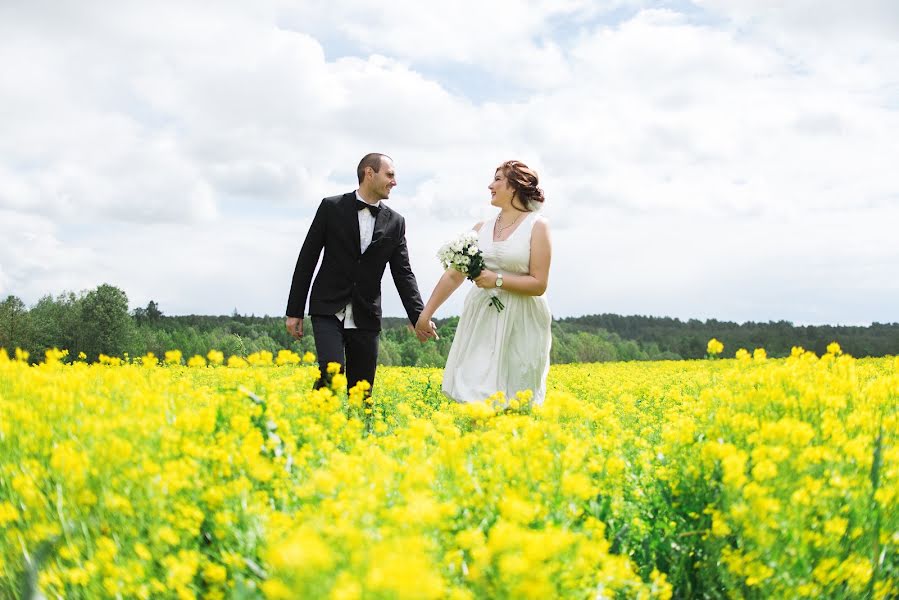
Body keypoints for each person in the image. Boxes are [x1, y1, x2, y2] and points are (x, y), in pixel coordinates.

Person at [285, 153, 436, 395]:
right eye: (390, 175)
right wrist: (294, 311)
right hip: (327, 307)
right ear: (369, 173)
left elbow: (403, 273)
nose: (394, 182)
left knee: (362, 390)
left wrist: (419, 315)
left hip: (366, 313)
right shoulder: (331, 207)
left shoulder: (396, 222)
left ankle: (359, 432)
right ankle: (315, 425)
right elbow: (307, 259)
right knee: (331, 371)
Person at [415, 160, 552, 405]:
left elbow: (539, 283)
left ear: (514, 187)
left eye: (498, 179)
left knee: (516, 396)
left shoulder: (537, 226)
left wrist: (496, 279)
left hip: (521, 319)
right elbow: (453, 275)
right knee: (477, 389)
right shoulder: (481, 228)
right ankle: (479, 438)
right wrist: (426, 314)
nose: (491, 185)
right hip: (482, 318)